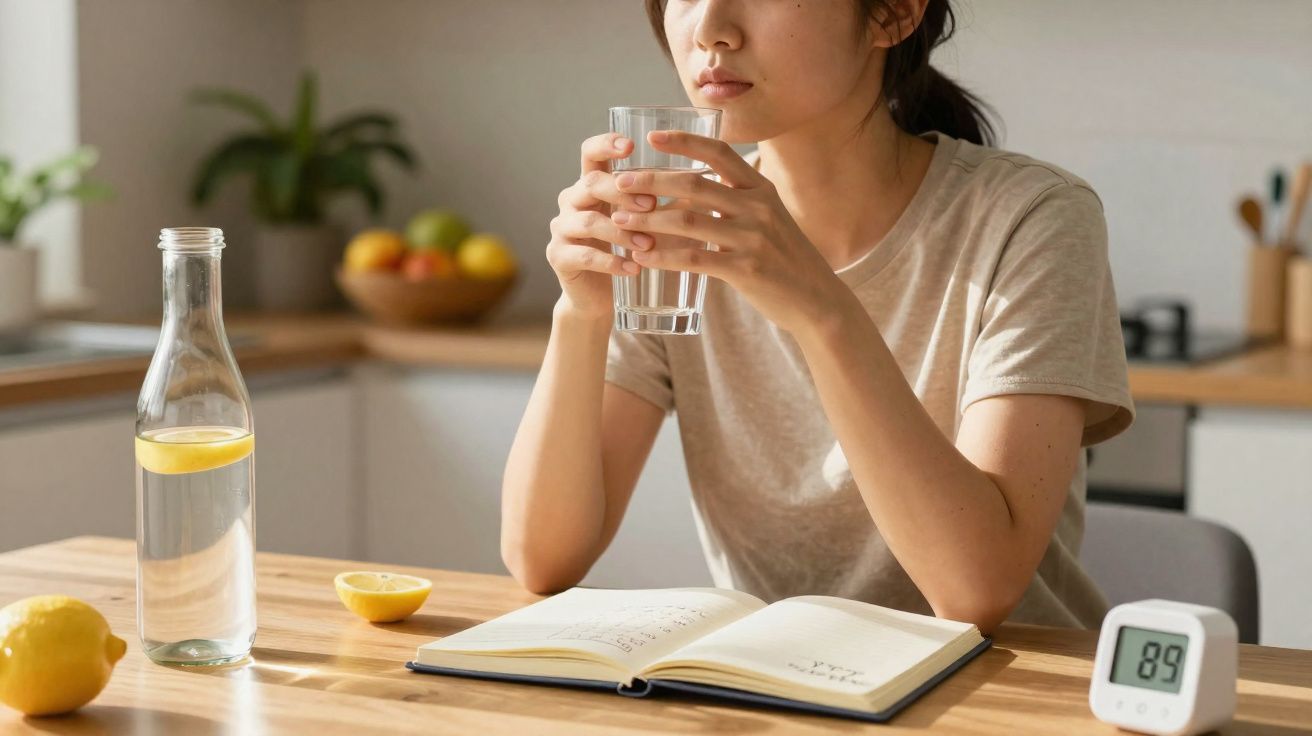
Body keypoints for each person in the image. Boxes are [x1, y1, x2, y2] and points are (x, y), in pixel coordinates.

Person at [500, 0, 1135, 633]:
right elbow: (542, 559)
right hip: (787, 691)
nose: (711, 28)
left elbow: (977, 593)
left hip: (1003, 701)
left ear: (893, 16)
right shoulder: (680, 227)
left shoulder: (1034, 218)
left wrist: (820, 310)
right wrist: (580, 314)